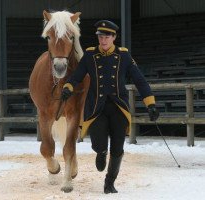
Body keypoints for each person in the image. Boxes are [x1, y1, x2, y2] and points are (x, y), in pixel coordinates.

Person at [61, 20, 159, 194]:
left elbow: (140, 80)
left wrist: (150, 104)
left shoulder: (124, 56)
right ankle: (100, 152)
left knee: (118, 147)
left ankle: (109, 182)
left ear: (114, 37)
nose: (103, 40)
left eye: (107, 36)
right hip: (96, 108)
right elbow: (77, 75)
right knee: (98, 142)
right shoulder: (90, 55)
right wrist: (68, 87)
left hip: (118, 108)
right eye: (100, 36)